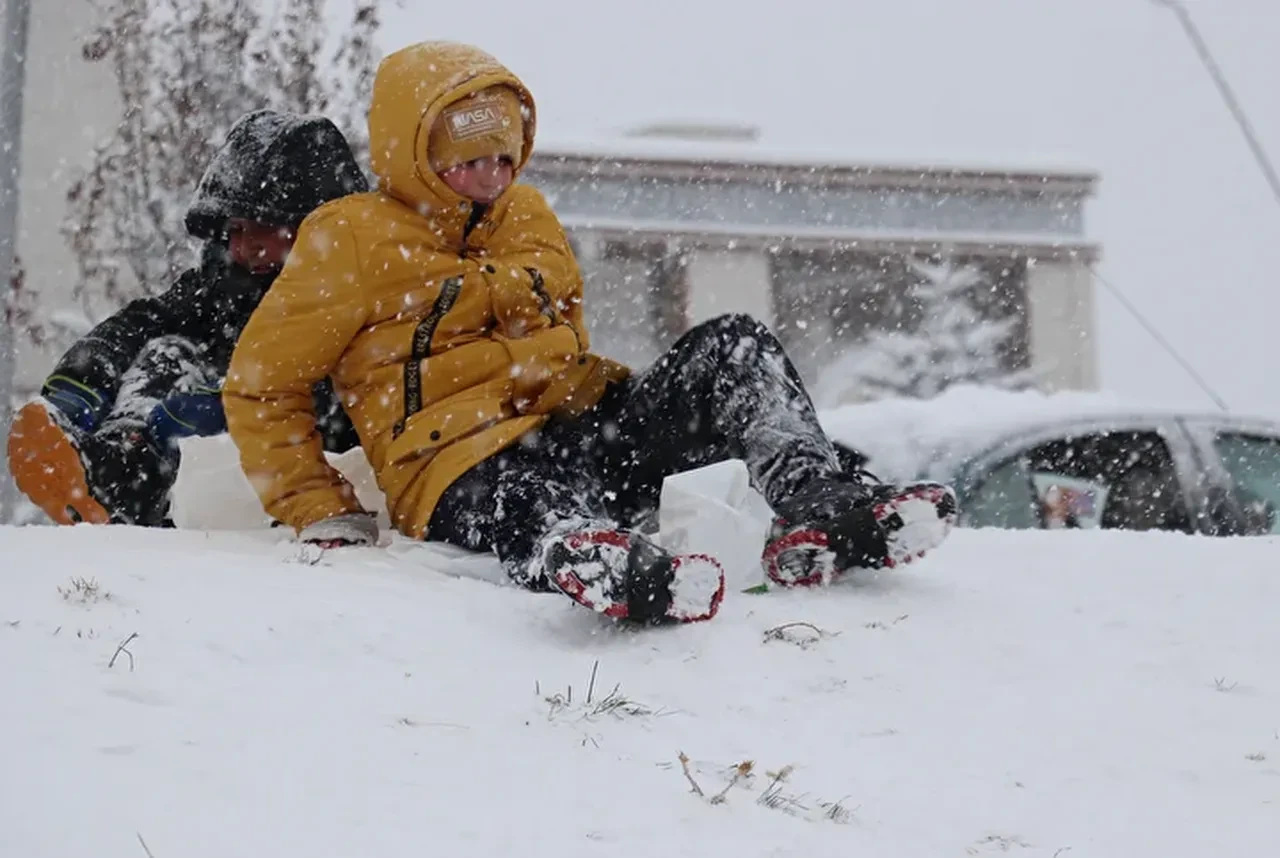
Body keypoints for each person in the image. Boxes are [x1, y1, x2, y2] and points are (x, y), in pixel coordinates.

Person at [222, 41, 958, 626]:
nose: (492, 177)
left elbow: (561, 340)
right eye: (470, 161)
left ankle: (823, 503)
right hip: (453, 467)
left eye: (505, 157)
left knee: (733, 343)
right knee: (531, 487)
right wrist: (320, 509)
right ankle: (594, 559)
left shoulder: (530, 217)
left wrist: (595, 390)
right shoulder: (348, 238)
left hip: (575, 431)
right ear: (418, 155)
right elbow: (261, 385)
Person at [7, 109, 368, 528]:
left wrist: (229, 408)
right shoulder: (226, 283)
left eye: (261, 227)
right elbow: (144, 323)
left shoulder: (356, 295)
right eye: (235, 227)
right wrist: (81, 380)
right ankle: (113, 467)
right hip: (202, 470)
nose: (243, 244)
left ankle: (132, 484)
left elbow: (343, 396)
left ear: (312, 227)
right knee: (164, 352)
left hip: (304, 474)